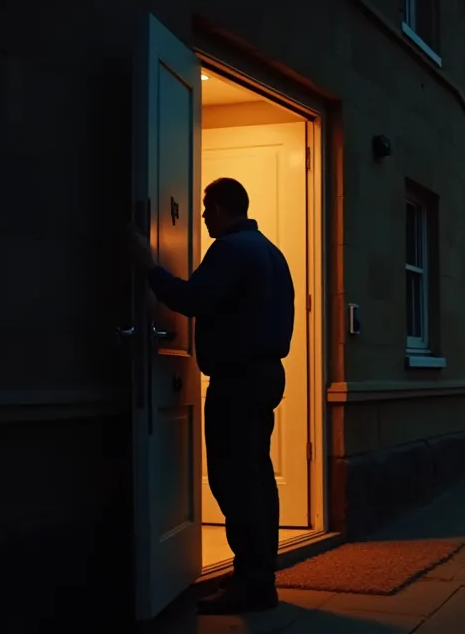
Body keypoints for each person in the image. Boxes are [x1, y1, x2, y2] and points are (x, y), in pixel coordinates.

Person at [126, 177, 295, 615]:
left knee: (234, 480)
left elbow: (192, 298)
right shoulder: (271, 253)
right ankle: (259, 577)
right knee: (256, 476)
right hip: (264, 376)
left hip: (237, 381)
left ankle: (251, 585)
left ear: (221, 208)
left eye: (205, 209)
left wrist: (148, 267)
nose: (201, 217)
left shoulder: (231, 250)